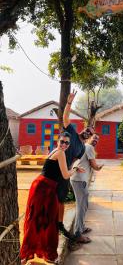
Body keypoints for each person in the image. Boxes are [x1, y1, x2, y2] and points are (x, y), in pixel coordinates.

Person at [20, 132, 76, 264]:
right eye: (62, 141)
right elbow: (66, 175)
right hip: (45, 188)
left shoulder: (55, 151)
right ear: (58, 141)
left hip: (41, 186)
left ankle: (28, 254)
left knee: (37, 219)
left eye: (67, 143)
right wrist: (75, 169)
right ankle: (48, 254)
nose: (64, 145)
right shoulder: (60, 153)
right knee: (49, 221)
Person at [58, 91, 94, 240]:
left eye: (90, 133)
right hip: (56, 167)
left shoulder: (82, 148)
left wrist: (73, 169)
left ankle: (63, 227)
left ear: (90, 137)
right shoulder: (71, 131)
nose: (87, 133)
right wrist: (69, 102)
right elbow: (65, 117)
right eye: (87, 130)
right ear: (83, 129)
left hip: (65, 172)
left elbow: (74, 161)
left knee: (60, 199)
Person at [70, 133, 104, 244]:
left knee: (83, 205)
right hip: (80, 180)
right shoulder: (89, 147)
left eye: (98, 139)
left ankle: (82, 227)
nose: (96, 140)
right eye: (94, 137)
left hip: (77, 178)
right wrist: (99, 167)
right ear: (89, 138)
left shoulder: (83, 146)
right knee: (81, 206)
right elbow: (94, 165)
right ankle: (78, 233)